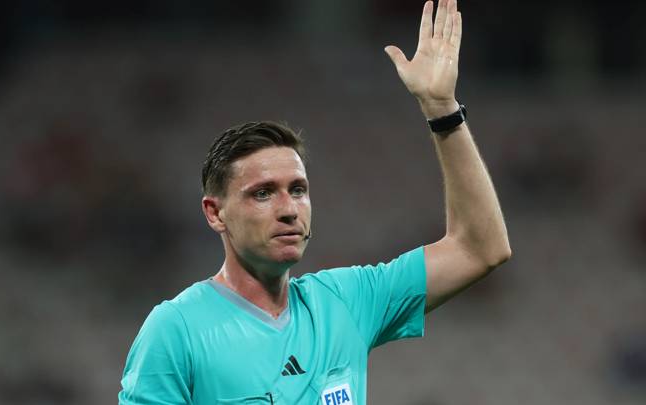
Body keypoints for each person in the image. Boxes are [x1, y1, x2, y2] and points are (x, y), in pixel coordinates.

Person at [118, 0, 511, 403]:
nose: (289, 209)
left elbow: (479, 249)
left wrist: (442, 109)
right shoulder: (177, 330)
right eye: (263, 193)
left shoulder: (346, 302)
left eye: (298, 189)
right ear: (215, 213)